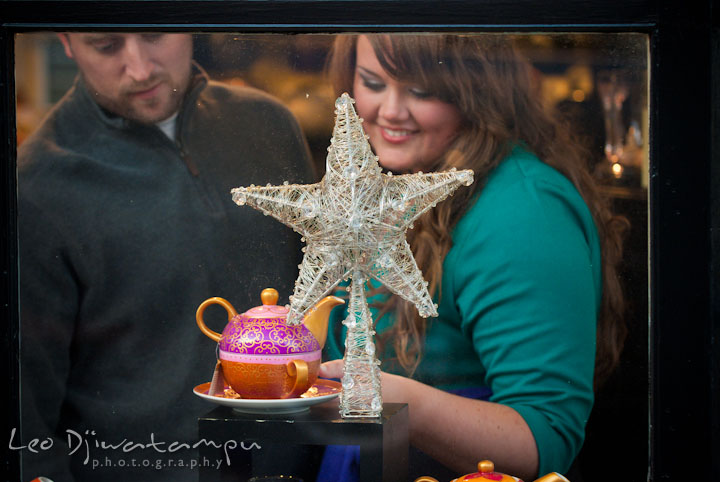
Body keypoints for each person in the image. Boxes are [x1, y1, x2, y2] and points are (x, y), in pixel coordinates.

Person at [319, 34, 628, 481]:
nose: (389, 111)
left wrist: (395, 402)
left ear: (476, 91)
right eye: (372, 82)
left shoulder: (524, 211)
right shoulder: (401, 179)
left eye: (421, 91)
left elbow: (543, 441)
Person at [18, 33, 316, 481]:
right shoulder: (37, 185)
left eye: (155, 34)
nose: (139, 68)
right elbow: (27, 416)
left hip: (300, 467)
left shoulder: (269, 124)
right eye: (105, 45)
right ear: (65, 40)